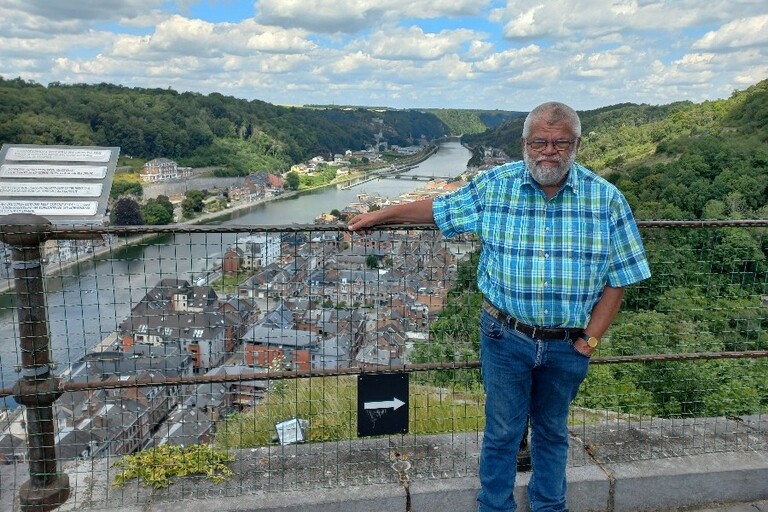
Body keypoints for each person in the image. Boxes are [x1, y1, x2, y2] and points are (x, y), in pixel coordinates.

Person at [348, 101, 651, 511]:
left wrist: (590, 341)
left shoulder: (607, 200)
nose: (549, 151)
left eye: (561, 143)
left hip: (569, 342)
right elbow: (439, 210)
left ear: (577, 145)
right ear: (524, 144)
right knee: (503, 431)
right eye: (540, 142)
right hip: (505, 335)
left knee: (552, 431)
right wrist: (380, 215)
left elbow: (621, 278)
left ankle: (549, 506)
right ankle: (494, 506)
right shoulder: (496, 184)